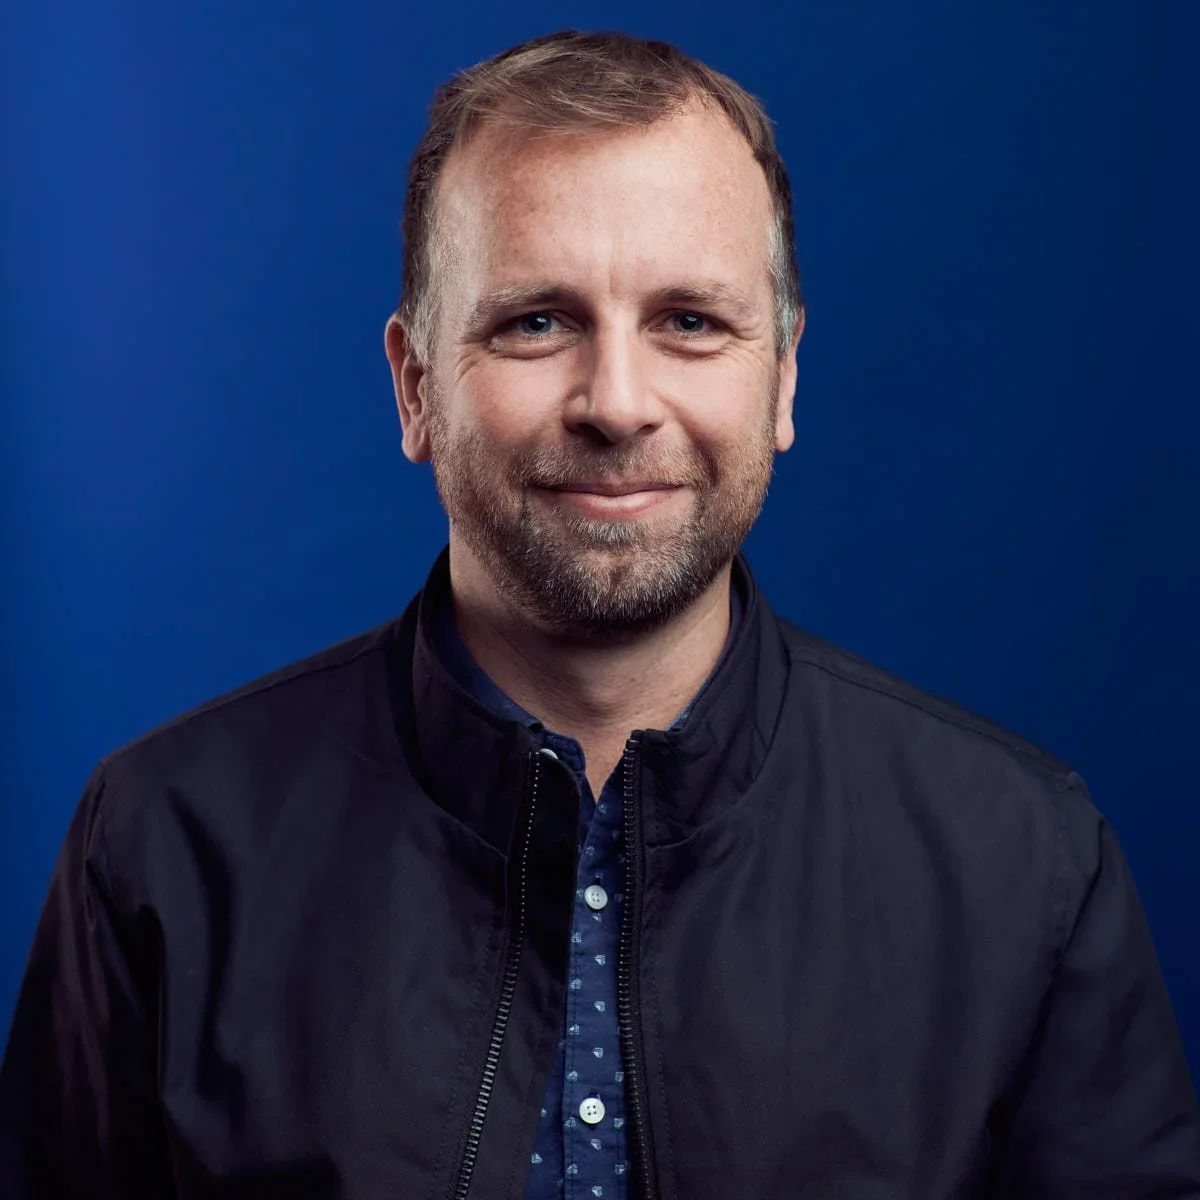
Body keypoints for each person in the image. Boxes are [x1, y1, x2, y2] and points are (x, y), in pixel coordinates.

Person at [1, 27, 1198, 1200]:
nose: (617, 404)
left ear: (782, 376)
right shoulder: (160, 846)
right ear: (416, 387)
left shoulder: (1027, 862)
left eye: (690, 322)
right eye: (537, 322)